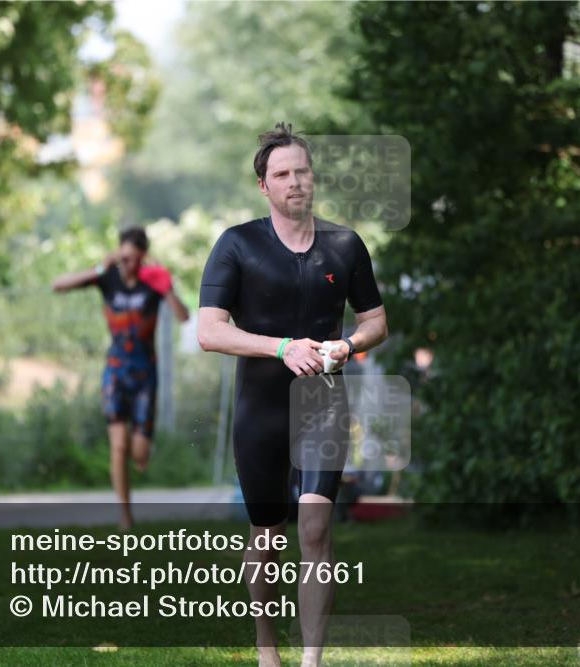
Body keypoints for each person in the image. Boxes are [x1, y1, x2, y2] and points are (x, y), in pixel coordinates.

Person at [197, 123, 388, 667]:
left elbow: (376, 321)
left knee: (316, 527)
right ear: (265, 186)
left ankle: (312, 660)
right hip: (260, 411)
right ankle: (266, 646)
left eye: (302, 171)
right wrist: (281, 348)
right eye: (282, 174)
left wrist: (346, 346)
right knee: (268, 535)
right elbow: (210, 331)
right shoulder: (237, 243)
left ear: (314, 177)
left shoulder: (345, 245)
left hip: (324, 405)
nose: (295, 182)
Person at [52, 227, 189, 530]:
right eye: (123, 257)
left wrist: (166, 288)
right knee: (118, 445)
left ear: (142, 257)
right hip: (115, 371)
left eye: (133, 259)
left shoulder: (152, 282)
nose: (127, 265)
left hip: (145, 374)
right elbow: (58, 285)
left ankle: (141, 458)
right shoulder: (107, 278)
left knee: (138, 454)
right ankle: (125, 515)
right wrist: (100, 267)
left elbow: (184, 316)